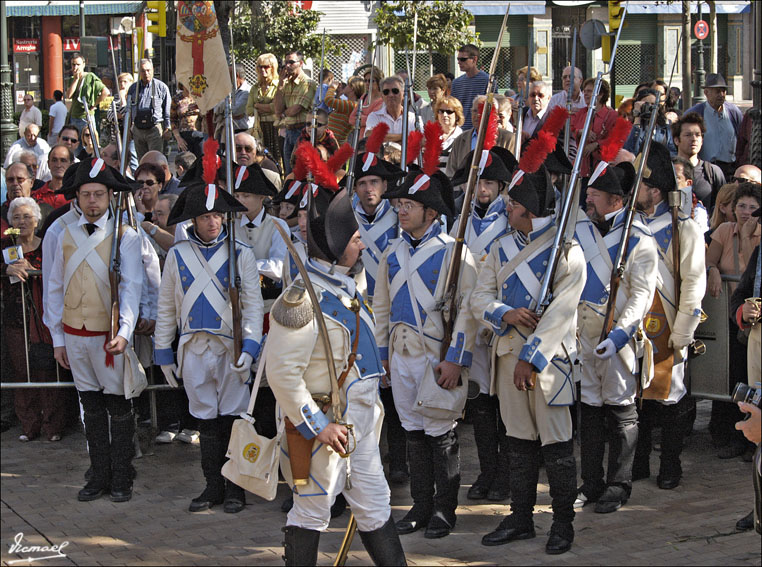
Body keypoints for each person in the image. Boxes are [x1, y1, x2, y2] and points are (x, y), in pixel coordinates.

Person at [266, 185, 406, 566]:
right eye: (356, 238)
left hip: (358, 425)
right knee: (311, 512)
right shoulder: (301, 300)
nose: (362, 245)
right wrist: (319, 426)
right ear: (335, 245)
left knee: (376, 506)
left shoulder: (347, 286)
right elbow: (281, 374)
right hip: (321, 429)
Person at [471, 161, 585, 555]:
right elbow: (478, 299)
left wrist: (530, 359)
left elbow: (559, 316)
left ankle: (563, 523)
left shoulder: (567, 252)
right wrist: (505, 313)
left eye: (514, 202)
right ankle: (520, 517)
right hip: (507, 355)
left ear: (530, 210)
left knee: (556, 446)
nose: (506, 207)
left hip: (548, 365)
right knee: (518, 442)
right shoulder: (501, 247)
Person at [374, 154, 478, 539]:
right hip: (400, 357)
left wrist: (455, 359)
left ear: (431, 212)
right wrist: (382, 355)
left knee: (441, 436)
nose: (400, 210)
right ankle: (420, 505)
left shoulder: (455, 253)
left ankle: (444, 510)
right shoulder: (392, 252)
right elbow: (381, 307)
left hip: (436, 359)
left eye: (409, 205)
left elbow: (468, 311)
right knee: (414, 434)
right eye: (399, 205)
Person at [155, 164, 264, 513]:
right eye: (206, 216)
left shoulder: (241, 254)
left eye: (218, 215)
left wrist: (250, 347)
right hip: (193, 349)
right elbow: (166, 307)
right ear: (193, 221)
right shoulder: (178, 254)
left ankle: (235, 490)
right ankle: (212, 486)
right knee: (206, 420)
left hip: (229, 348)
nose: (213, 222)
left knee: (232, 419)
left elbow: (251, 307)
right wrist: (163, 354)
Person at [46, 159, 143, 503]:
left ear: (109, 196)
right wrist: (58, 337)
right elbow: (54, 287)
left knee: (117, 407)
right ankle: (98, 474)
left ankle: (122, 475)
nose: (92, 202)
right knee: (92, 407)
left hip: (108, 336)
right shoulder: (63, 234)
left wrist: (126, 331)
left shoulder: (126, 237)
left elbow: (132, 289)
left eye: (98, 194)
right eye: (86, 194)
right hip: (74, 335)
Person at [573, 160, 658, 513]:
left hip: (616, 336)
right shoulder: (580, 230)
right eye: (588, 194)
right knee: (590, 411)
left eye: (594, 196)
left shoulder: (640, 239)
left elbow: (642, 293)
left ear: (616, 201)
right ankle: (590, 482)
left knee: (622, 410)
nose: (588, 201)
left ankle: (618, 484)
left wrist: (622, 333)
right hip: (582, 334)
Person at [631, 142, 706, 490]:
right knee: (637, 399)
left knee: (670, 398)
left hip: (668, 324)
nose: (635, 192)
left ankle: (670, 465)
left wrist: (684, 331)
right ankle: (639, 462)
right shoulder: (629, 227)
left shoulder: (683, 229)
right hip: (634, 324)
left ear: (656, 191)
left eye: (640, 186)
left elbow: (693, 283)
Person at [450, 147, 516, 504]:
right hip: (469, 318)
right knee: (480, 404)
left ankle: (506, 473)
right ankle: (488, 470)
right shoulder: (458, 220)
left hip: (498, 318)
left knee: (504, 403)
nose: (482, 189)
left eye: (489, 182)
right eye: (478, 182)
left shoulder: (508, 220)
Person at [350, 132, 407, 483]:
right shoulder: (346, 216)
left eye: (375, 182)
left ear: (385, 185)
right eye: (363, 183)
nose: (369, 189)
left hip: (393, 310)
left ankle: (399, 461)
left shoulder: (401, 216)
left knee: (395, 389)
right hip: (359, 312)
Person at [1, 197, 66, 442]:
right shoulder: (5, 246)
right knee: (22, 371)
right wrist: (5, 268)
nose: (22, 221)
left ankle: (53, 425)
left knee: (48, 369)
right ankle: (29, 425)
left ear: (37, 219)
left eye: (27, 216)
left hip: (44, 317)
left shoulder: (46, 244)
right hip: (16, 318)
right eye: (16, 217)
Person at [705, 182, 761, 459]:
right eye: (742, 206)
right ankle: (736, 438)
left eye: (753, 207)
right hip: (731, 317)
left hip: (756, 325)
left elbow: (754, 277)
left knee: (755, 381)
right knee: (735, 378)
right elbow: (708, 262)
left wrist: (750, 238)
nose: (746, 212)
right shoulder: (725, 231)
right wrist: (713, 271)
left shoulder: (758, 237)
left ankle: (754, 442)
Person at [684, 73, 743, 178]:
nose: (721, 94)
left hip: (730, 169)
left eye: (723, 91)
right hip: (706, 170)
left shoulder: (733, 112)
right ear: (706, 93)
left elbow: (742, 138)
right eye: (717, 91)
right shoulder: (696, 113)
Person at [446, 95, 514, 180]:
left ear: (494, 114)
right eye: (475, 111)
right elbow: (451, 172)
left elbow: (511, 173)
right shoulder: (461, 140)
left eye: (482, 110)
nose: (478, 114)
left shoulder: (508, 139)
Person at [274, 50, 317, 175]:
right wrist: (280, 84)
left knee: (301, 171)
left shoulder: (308, 83)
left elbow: (296, 109)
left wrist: (283, 114)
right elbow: (277, 109)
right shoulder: (286, 83)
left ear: (301, 63)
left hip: (302, 130)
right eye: (285, 63)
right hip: (288, 131)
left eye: (291, 62)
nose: (287, 66)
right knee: (289, 172)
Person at [671, 112, 725, 208]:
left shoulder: (712, 172)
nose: (694, 139)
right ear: (676, 140)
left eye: (698, 135)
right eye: (688, 135)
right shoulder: (668, 169)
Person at [570, 78, 618, 177]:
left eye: (589, 91)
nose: (585, 94)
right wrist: (580, 132)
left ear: (600, 95)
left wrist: (596, 144)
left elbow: (616, 139)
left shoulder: (612, 115)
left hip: (602, 169)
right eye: (584, 91)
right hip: (582, 169)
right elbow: (570, 130)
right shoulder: (580, 113)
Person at [127, 59, 172, 161]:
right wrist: (129, 128)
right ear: (139, 72)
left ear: (152, 70)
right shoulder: (133, 88)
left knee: (155, 159)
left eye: (148, 70)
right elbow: (129, 109)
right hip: (138, 128)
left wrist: (168, 128)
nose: (146, 73)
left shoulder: (161, 87)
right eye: (143, 71)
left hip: (154, 128)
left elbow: (167, 110)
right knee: (141, 160)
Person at [64, 52, 110, 134]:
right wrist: (75, 80)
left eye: (78, 64)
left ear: (83, 65)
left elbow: (105, 92)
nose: (75, 67)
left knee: (88, 142)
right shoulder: (72, 79)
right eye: (73, 65)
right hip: (74, 116)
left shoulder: (90, 77)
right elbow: (68, 95)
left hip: (86, 117)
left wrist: (94, 105)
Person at [247, 53, 281, 163]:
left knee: (277, 156)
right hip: (259, 128)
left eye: (266, 66)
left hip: (276, 127)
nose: (262, 70)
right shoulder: (254, 88)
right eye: (259, 67)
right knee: (261, 157)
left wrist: (257, 106)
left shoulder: (279, 85)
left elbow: (277, 107)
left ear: (273, 67)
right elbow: (249, 110)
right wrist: (266, 107)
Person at [623, 89, 676, 157]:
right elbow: (629, 150)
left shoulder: (666, 129)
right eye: (646, 104)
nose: (650, 108)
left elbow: (673, 153)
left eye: (653, 105)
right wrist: (637, 117)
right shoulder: (629, 128)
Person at [451, 44, 491, 130]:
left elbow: (492, 106)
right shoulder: (456, 83)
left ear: (474, 59)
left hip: (480, 131)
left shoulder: (488, 81)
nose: (459, 62)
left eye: (463, 59)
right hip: (460, 131)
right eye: (458, 59)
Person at [365, 76, 415, 143]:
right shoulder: (374, 116)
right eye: (386, 92)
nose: (391, 95)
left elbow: (418, 140)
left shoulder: (413, 118)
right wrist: (403, 137)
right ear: (382, 96)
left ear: (403, 94)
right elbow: (369, 135)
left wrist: (383, 137)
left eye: (395, 91)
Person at [325, 76, 365, 145]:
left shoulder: (351, 105)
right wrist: (339, 92)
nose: (345, 87)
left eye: (347, 85)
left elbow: (328, 100)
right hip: (333, 141)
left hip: (335, 143)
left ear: (352, 88)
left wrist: (332, 87)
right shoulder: (350, 104)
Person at [348, 66, 384, 139]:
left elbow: (374, 121)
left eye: (371, 81)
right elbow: (351, 119)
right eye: (366, 80)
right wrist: (366, 117)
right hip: (360, 139)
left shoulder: (383, 100)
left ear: (379, 82)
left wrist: (360, 117)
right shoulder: (364, 96)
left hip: (373, 138)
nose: (367, 83)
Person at [33, 145, 72, 210]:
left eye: (63, 160)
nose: (58, 165)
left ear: (71, 164)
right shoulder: (36, 196)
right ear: (48, 164)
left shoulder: (77, 196)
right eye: (54, 160)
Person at [170, 83, 203, 158]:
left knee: (201, 163)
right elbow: (173, 120)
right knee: (186, 162)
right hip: (184, 137)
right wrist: (178, 139)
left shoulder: (200, 97)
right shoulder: (176, 99)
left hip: (200, 135)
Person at [434, 96, 465, 172]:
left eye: (449, 111)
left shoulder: (463, 138)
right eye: (441, 111)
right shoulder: (431, 136)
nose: (444, 115)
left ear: (457, 115)